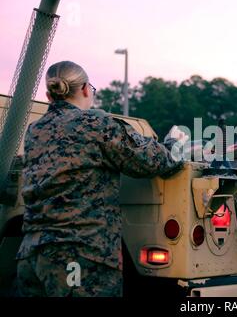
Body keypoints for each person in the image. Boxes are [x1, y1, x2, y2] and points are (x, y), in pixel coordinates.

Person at [16, 61, 184, 297]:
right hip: (80, 257)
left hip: (31, 257)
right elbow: (150, 161)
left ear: (49, 95)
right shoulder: (95, 124)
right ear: (85, 89)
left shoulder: (35, 130)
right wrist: (174, 146)